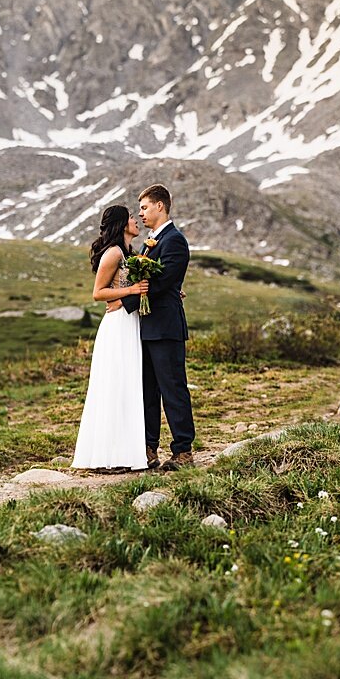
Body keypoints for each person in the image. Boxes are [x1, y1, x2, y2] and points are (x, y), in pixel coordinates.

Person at [71, 204, 150, 471]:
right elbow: (98, 293)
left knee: (128, 386)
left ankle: (125, 453)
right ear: (121, 224)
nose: (136, 220)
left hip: (131, 323)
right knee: (114, 385)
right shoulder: (113, 253)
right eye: (131, 217)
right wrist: (132, 291)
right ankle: (107, 455)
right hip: (117, 326)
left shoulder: (132, 253)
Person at [135, 183, 195, 469]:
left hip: (167, 328)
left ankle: (183, 450)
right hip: (146, 329)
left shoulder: (174, 240)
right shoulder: (150, 242)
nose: (141, 213)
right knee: (147, 392)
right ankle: (149, 449)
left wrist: (137, 290)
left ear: (160, 206)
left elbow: (165, 281)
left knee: (173, 389)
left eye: (144, 207)